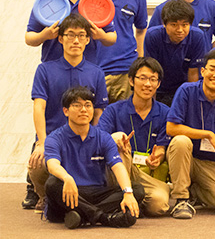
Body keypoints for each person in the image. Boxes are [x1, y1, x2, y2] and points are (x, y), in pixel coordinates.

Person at [28, 14, 110, 211]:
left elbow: (98, 111)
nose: (76, 41)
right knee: (37, 163)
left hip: (85, 137)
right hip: (54, 138)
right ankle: (45, 195)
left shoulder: (96, 72)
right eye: (70, 35)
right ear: (60, 38)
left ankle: (83, 196)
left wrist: (95, 138)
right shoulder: (45, 70)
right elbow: (39, 107)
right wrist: (41, 142)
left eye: (81, 36)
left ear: (88, 40)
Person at [34, 86, 143, 229]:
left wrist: (127, 193)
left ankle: (81, 216)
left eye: (88, 105)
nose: (84, 110)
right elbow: (52, 164)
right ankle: (104, 218)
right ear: (65, 111)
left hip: (96, 191)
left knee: (137, 189)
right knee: (52, 184)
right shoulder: (55, 137)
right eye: (77, 105)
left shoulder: (103, 137)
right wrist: (67, 177)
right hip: (69, 191)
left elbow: (118, 166)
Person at [165, 50, 215, 219]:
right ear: (203, 71)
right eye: (212, 69)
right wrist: (207, 134)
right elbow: (171, 128)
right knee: (181, 141)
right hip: (186, 158)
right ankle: (181, 199)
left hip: (210, 162)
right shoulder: (186, 90)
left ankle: (195, 191)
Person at [97, 57, 171, 217]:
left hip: (145, 174)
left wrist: (157, 158)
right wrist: (114, 138)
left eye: (153, 80)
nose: (147, 84)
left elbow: (162, 148)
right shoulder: (113, 110)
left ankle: (126, 201)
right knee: (118, 145)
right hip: (117, 170)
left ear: (158, 84)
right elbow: (97, 141)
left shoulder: (165, 112)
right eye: (142, 78)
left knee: (159, 205)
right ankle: (127, 197)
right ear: (131, 80)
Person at [85, 0, 148, 103]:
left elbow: (141, 29)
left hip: (125, 69)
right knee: (93, 122)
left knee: (123, 123)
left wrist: (139, 61)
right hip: (93, 67)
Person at [144, 0, 208, 106]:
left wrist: (190, 104)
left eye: (185, 25)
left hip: (183, 88)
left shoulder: (197, 37)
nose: (180, 30)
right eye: (174, 25)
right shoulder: (152, 36)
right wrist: (152, 106)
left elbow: (193, 74)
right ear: (164, 24)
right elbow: (151, 72)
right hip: (160, 87)